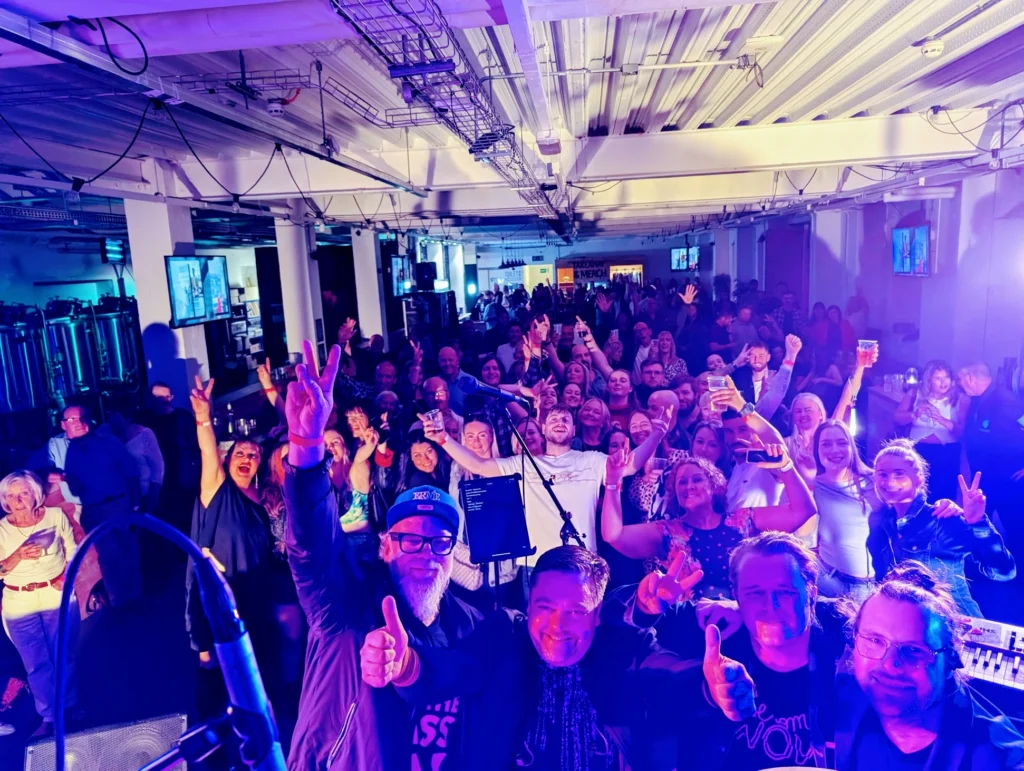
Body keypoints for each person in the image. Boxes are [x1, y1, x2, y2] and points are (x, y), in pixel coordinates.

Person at [280, 340, 480, 770]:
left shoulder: (465, 623)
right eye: (411, 540)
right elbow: (312, 546)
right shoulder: (345, 603)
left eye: (440, 542)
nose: (427, 554)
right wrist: (306, 444)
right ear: (386, 546)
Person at [360, 545, 704, 769]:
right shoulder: (506, 635)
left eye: (576, 611)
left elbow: (667, 671)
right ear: (529, 604)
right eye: (545, 607)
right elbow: (456, 668)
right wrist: (406, 666)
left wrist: (711, 683)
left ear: (597, 614)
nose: (557, 626)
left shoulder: (620, 646)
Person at [632, 532, 848, 771]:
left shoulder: (847, 652)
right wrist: (642, 606)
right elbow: (619, 637)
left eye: (786, 592)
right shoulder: (713, 631)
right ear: (736, 597)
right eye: (755, 593)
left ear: (812, 594)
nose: (770, 607)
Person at [424, 403, 669, 567]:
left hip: (581, 559)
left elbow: (630, 466)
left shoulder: (591, 460)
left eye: (565, 419)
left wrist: (657, 433)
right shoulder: (524, 463)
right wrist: (443, 438)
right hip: (536, 564)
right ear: (543, 428)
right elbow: (478, 465)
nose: (560, 422)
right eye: (554, 419)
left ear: (574, 430)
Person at [837, 562, 1024, 770]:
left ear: (950, 660)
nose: (889, 665)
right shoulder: (837, 701)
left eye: (914, 650)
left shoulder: (998, 757)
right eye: (875, 640)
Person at [602, 433, 816, 601]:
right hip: (690, 628)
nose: (689, 486)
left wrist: (786, 467)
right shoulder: (667, 531)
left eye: (697, 479)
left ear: (714, 486)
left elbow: (803, 511)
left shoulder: (743, 520)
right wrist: (613, 481)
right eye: (681, 482)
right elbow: (613, 535)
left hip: (744, 623)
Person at [868, 440, 1015, 616]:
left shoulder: (942, 518)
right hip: (913, 624)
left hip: (955, 624)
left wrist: (978, 522)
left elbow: (1004, 572)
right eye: (882, 474)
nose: (889, 481)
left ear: (918, 478)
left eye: (899, 473)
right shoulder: (882, 524)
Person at [0, 471, 80, 737]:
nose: (17, 501)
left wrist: (65, 577)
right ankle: (49, 716)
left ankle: (69, 706)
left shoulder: (55, 516)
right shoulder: (2, 530)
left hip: (56, 596)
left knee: (63, 654)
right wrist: (17, 556)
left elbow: (72, 550)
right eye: (10, 496)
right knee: (36, 664)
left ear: (35, 494)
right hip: (19, 601)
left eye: (23, 493)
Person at [61, 405, 143, 609]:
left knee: (129, 553)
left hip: (120, 505)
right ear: (64, 425)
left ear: (90, 419)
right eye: (72, 420)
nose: (79, 423)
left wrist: (135, 506)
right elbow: (76, 489)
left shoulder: (109, 442)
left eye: (82, 417)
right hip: (93, 512)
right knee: (109, 557)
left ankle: (136, 600)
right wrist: (64, 478)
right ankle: (118, 603)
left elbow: (132, 473)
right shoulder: (69, 451)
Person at [958, 361, 1024, 558]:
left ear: (970, 378)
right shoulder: (982, 399)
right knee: (980, 524)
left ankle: (1016, 571)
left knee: (1015, 529)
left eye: (961, 380)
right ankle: (985, 565)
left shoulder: (1005, 400)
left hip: (1009, 479)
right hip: (988, 477)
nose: (959, 384)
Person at [812, 419, 879, 600]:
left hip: (864, 585)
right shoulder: (812, 484)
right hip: (825, 579)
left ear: (852, 447)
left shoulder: (873, 481)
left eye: (842, 443)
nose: (834, 450)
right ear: (817, 450)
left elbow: (908, 505)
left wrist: (944, 505)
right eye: (826, 444)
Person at [894, 360, 967, 504]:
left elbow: (961, 432)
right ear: (929, 381)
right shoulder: (914, 394)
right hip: (919, 452)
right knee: (918, 493)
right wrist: (914, 414)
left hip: (947, 454)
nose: (943, 382)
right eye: (938, 378)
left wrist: (942, 420)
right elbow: (897, 418)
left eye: (946, 377)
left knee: (944, 496)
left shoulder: (960, 398)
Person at [107, 398, 165, 515]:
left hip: (144, 496)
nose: (111, 419)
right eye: (109, 415)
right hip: (117, 499)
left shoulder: (144, 434)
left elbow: (157, 467)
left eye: (115, 415)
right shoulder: (104, 434)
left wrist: (153, 495)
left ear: (127, 417)